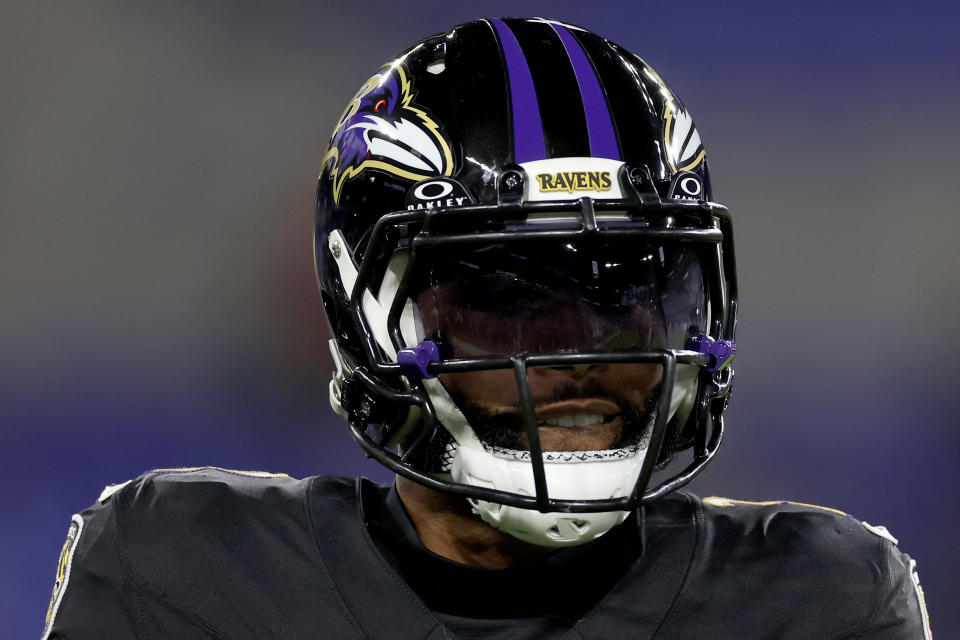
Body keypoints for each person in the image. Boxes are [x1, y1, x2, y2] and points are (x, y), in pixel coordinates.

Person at [42, 18, 932, 639]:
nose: (580, 349)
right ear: (370, 308)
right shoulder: (178, 576)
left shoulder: (816, 602)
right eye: (507, 297)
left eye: (624, 293)